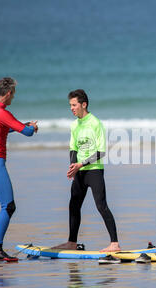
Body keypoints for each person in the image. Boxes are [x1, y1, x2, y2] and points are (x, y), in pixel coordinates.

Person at [52, 89, 120, 252]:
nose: (71, 108)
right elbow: (73, 148)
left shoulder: (95, 123)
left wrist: (80, 165)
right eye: (70, 105)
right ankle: (72, 242)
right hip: (79, 171)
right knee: (74, 205)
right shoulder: (75, 125)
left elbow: (101, 151)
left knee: (101, 205)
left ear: (84, 104)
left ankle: (115, 243)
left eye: (74, 105)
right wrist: (72, 167)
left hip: (94, 170)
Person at [0, 77, 38, 263]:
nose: (13, 98)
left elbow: (0, 129)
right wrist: (32, 127)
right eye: (14, 94)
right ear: (9, 93)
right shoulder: (2, 112)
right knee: (9, 206)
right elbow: (27, 133)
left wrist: (22, 124)